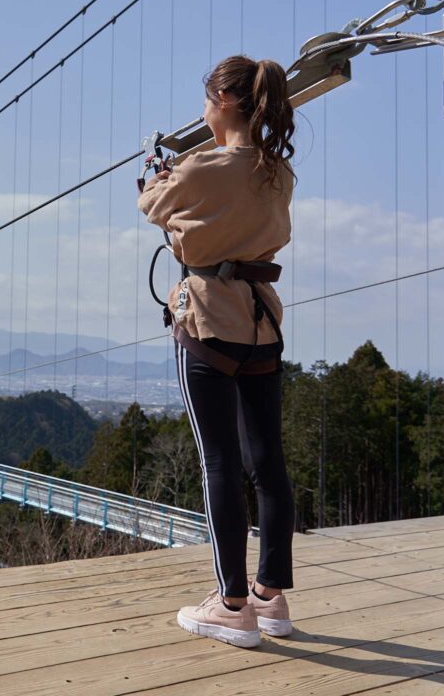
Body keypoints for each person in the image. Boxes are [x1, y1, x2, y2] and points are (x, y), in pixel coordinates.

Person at [137, 54, 297, 649]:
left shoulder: (201, 166)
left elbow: (153, 205)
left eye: (207, 99)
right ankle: (269, 595)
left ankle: (230, 603)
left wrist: (159, 176)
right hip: (261, 320)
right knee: (268, 462)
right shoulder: (278, 173)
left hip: (206, 317)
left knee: (219, 463)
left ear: (226, 101)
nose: (203, 110)